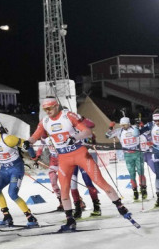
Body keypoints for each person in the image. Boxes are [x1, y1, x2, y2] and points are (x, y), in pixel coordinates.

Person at [27, 97, 131, 231]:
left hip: (80, 154)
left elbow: (87, 131)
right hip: (64, 158)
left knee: (98, 181)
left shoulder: (68, 116)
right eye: (45, 109)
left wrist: (74, 138)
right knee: (64, 189)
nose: (48, 111)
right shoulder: (45, 121)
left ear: (56, 106)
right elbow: (35, 135)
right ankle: (70, 219)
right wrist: (28, 142)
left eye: (50, 108)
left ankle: (120, 207)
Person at [0, 120, 39, 227]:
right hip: (4, 169)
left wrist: (33, 157)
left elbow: (26, 144)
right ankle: (7, 217)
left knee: (12, 194)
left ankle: (30, 217)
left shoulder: (8, 139)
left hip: (16, 168)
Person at [106, 117, 147, 201]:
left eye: (124, 124)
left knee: (141, 172)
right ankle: (135, 191)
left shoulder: (134, 128)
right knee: (132, 174)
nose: (123, 126)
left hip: (137, 153)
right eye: (122, 125)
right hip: (128, 155)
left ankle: (143, 189)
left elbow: (145, 132)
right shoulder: (119, 131)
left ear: (128, 123)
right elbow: (107, 135)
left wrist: (141, 125)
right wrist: (110, 128)